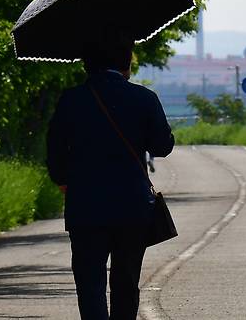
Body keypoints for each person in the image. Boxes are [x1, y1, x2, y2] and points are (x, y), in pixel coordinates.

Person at [46, 28, 175, 320]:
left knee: (89, 282)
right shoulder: (144, 98)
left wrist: (63, 180)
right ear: (126, 61)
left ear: (86, 63)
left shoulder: (71, 100)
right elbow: (162, 146)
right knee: (126, 282)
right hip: (132, 207)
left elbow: (54, 149)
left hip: (85, 206)